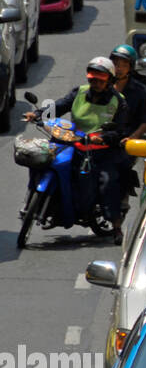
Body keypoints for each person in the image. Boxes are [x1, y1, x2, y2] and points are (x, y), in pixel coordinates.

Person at [23, 56, 128, 242]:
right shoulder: (79, 93)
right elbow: (60, 105)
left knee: (107, 181)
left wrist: (104, 137)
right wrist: (37, 114)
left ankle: (117, 226)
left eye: (100, 79)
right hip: (74, 143)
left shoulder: (118, 101)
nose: (94, 83)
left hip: (102, 152)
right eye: (92, 78)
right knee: (45, 161)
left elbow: (119, 131)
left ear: (110, 81)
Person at [109, 44, 146, 217]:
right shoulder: (101, 85)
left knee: (122, 168)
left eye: (123, 65)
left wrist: (132, 138)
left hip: (125, 141)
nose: (118, 69)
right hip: (101, 137)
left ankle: (121, 206)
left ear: (130, 67)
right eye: (116, 64)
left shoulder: (141, 91)